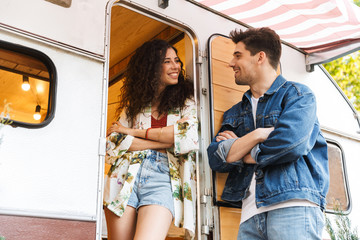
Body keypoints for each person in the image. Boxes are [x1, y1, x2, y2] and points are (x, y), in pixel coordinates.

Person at [207, 27, 329, 240]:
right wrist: (257, 135)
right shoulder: (234, 113)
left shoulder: (298, 95)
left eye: (238, 55)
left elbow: (291, 144)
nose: (230, 63)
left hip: (292, 205)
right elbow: (216, 157)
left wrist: (245, 152)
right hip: (249, 214)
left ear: (260, 57)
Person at [103, 39, 198, 240]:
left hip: (163, 177)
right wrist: (166, 141)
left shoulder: (186, 100)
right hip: (125, 175)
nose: (176, 66)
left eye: (177, 60)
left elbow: (187, 138)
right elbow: (112, 143)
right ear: (152, 68)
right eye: (167, 61)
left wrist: (132, 132)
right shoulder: (134, 105)